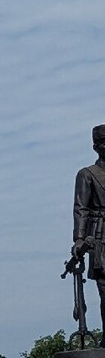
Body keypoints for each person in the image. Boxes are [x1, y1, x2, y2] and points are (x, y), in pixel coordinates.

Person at [72, 124, 105, 341]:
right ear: (97, 147)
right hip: (101, 236)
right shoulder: (87, 174)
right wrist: (79, 239)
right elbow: (81, 208)